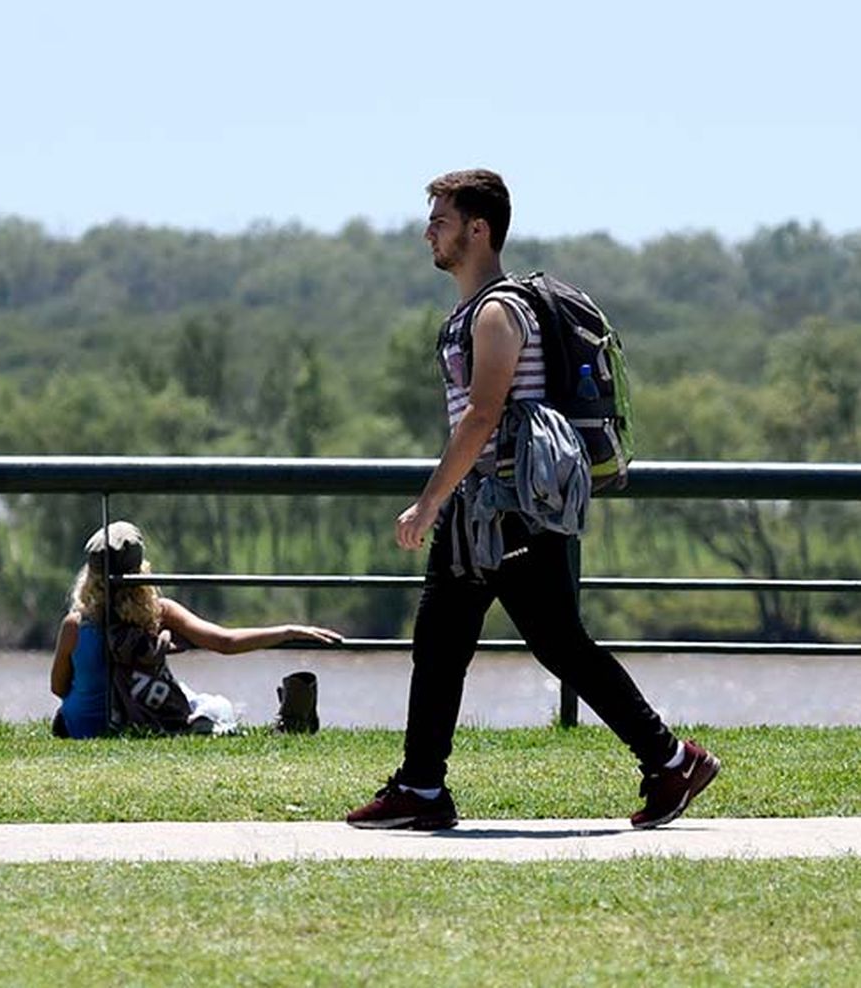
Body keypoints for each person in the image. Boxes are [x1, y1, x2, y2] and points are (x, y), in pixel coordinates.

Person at [346, 169, 719, 831]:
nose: (429, 229)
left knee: (559, 643)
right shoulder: (470, 312)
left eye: (441, 218)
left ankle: (670, 759)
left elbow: (483, 415)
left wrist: (428, 501)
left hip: (512, 508)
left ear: (478, 229)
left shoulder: (498, 311)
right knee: (440, 642)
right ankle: (422, 787)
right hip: (480, 510)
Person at [50, 520, 343, 738]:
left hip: (81, 727)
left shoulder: (74, 625)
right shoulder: (160, 612)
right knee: (217, 706)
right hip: (134, 721)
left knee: (184, 694)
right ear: (141, 572)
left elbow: (59, 687)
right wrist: (287, 630)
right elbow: (225, 641)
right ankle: (290, 717)